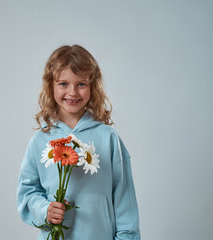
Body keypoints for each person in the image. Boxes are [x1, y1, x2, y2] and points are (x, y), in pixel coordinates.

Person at [16, 45, 141, 240]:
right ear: (51, 86)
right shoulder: (40, 141)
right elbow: (27, 193)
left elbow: (125, 200)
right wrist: (44, 210)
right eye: (63, 83)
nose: (72, 92)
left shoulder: (109, 138)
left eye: (81, 84)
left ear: (92, 86)